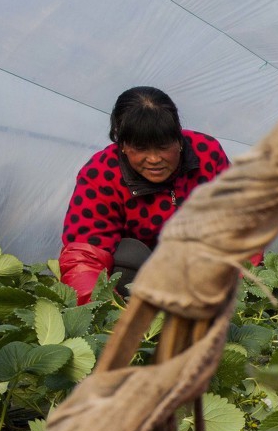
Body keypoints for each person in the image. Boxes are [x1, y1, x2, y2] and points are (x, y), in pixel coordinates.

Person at [58, 86, 231, 304]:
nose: (154, 159)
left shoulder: (206, 153)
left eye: (163, 147)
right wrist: (105, 309)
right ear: (122, 145)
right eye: (140, 148)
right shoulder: (101, 174)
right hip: (136, 279)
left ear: (179, 139)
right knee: (127, 255)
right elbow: (84, 257)